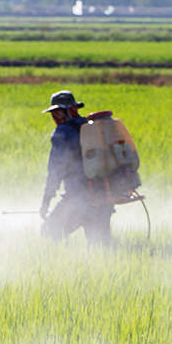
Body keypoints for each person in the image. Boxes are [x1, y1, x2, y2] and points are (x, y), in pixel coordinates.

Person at [39, 90, 114, 246]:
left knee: (49, 232)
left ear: (64, 112)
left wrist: (46, 200)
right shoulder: (93, 127)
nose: (55, 118)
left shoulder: (62, 132)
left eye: (57, 114)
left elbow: (55, 170)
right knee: (101, 246)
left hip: (78, 199)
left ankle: (66, 265)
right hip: (105, 196)